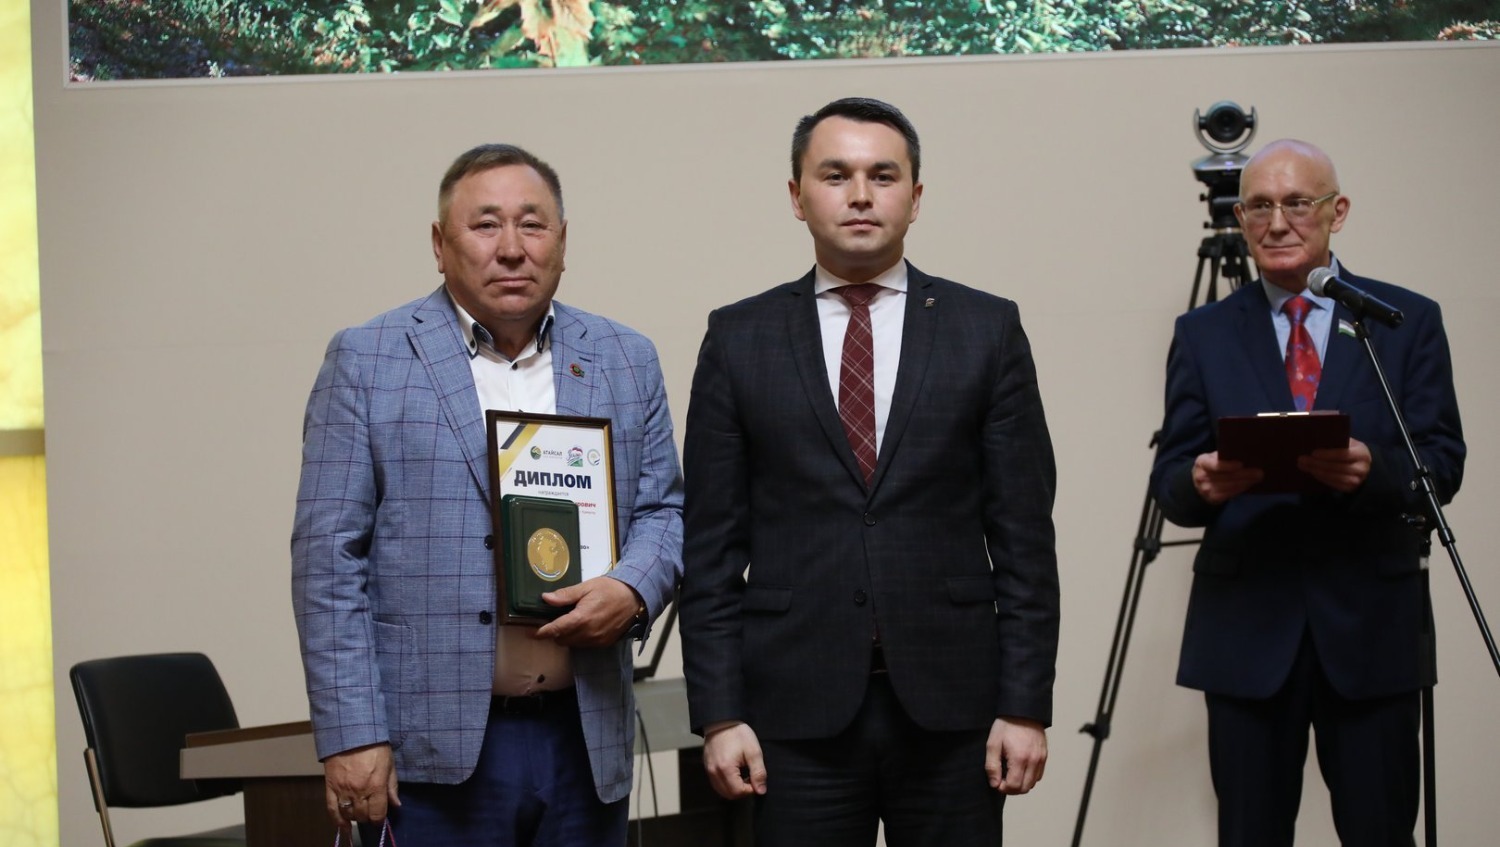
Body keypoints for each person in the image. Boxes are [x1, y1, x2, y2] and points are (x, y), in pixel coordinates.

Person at [677, 96, 1060, 846]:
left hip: (955, 709)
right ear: (798, 196)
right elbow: (711, 548)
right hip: (792, 712)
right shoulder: (738, 337)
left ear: (915, 197)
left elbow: (1024, 537)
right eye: (836, 175)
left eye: (882, 176)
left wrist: (1025, 704)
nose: (860, 195)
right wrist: (719, 715)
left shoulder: (986, 329)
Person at [291, 143, 683, 846]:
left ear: (562, 241)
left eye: (532, 224)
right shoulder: (367, 359)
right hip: (430, 751)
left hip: (583, 736)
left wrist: (632, 588)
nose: (511, 248)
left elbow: (664, 511)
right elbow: (328, 559)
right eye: (485, 225)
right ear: (439, 244)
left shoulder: (625, 357)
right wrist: (351, 733)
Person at [1150, 139, 1465, 846]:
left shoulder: (1404, 321)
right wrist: (1200, 481)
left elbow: (1443, 462)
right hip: (1246, 631)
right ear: (1240, 218)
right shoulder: (1202, 334)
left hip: (1373, 630)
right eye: (1259, 206)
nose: (1277, 222)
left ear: (1336, 212)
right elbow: (1170, 480)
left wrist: (1372, 471)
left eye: (1298, 203)